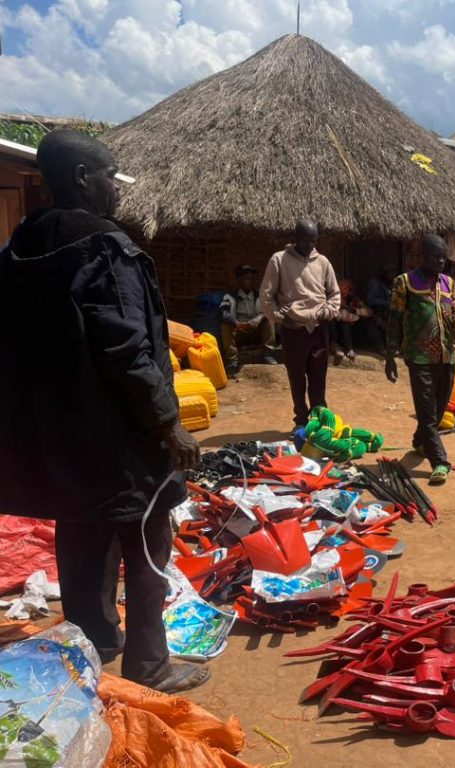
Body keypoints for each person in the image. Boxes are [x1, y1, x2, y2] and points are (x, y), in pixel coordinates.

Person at [0, 130, 207, 692]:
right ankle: (148, 665)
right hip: (119, 438)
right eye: (110, 177)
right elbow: (126, 350)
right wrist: (168, 423)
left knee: (81, 543)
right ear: (85, 179)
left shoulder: (20, 246)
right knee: (146, 547)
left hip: (59, 440)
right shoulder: (105, 249)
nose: (116, 189)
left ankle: (91, 656)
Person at [385, 234, 455, 485]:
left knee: (436, 409)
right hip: (419, 357)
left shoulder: (449, 283)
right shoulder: (405, 283)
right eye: (436, 256)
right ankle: (440, 462)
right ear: (422, 256)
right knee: (426, 412)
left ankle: (419, 442)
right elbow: (394, 319)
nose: (442, 261)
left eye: (444, 256)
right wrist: (390, 355)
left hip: (446, 357)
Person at [260, 219, 340, 434]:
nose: (310, 246)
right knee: (297, 378)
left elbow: (334, 294)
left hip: (319, 328)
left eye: (313, 241)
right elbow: (266, 297)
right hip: (293, 328)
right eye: (305, 241)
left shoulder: (323, 262)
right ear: (295, 238)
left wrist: (328, 312)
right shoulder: (279, 260)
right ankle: (301, 419)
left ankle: (319, 419)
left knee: (318, 376)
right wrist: (280, 318)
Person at [220, 264, 276, 375]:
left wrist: (260, 317)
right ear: (239, 281)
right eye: (246, 278)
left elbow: (270, 308)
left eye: (251, 278)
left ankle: (268, 354)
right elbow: (224, 313)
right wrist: (237, 323)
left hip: (257, 333)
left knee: (269, 318)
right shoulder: (229, 296)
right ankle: (232, 361)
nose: (250, 281)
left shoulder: (260, 295)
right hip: (239, 334)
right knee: (225, 325)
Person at [331, 278, 384, 363]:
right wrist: (351, 313)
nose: (351, 291)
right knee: (345, 324)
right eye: (349, 289)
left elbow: (369, 312)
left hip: (354, 330)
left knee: (369, 322)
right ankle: (349, 349)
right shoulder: (337, 301)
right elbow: (342, 316)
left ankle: (381, 348)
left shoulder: (355, 300)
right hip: (340, 333)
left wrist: (356, 311)